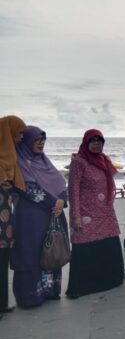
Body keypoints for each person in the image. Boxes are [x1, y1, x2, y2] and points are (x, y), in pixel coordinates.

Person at [11, 126, 68, 307]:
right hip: (30, 218)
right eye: (36, 140)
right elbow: (28, 190)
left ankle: (50, 291)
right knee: (31, 253)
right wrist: (56, 202)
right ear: (26, 142)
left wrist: (62, 200)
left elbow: (60, 184)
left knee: (51, 250)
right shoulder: (19, 163)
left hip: (52, 215)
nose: (41, 143)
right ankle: (30, 296)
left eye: (43, 140)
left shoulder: (45, 162)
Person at [66, 129, 124, 298]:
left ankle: (110, 280)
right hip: (86, 213)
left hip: (105, 212)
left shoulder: (104, 160)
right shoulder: (79, 161)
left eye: (100, 141)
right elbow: (73, 189)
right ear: (86, 143)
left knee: (107, 245)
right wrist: (75, 216)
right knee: (84, 246)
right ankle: (82, 287)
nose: (97, 144)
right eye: (93, 141)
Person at [0, 116, 27, 314]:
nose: (21, 137)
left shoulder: (11, 161)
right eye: (19, 132)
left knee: (2, 262)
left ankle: (2, 303)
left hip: (6, 223)